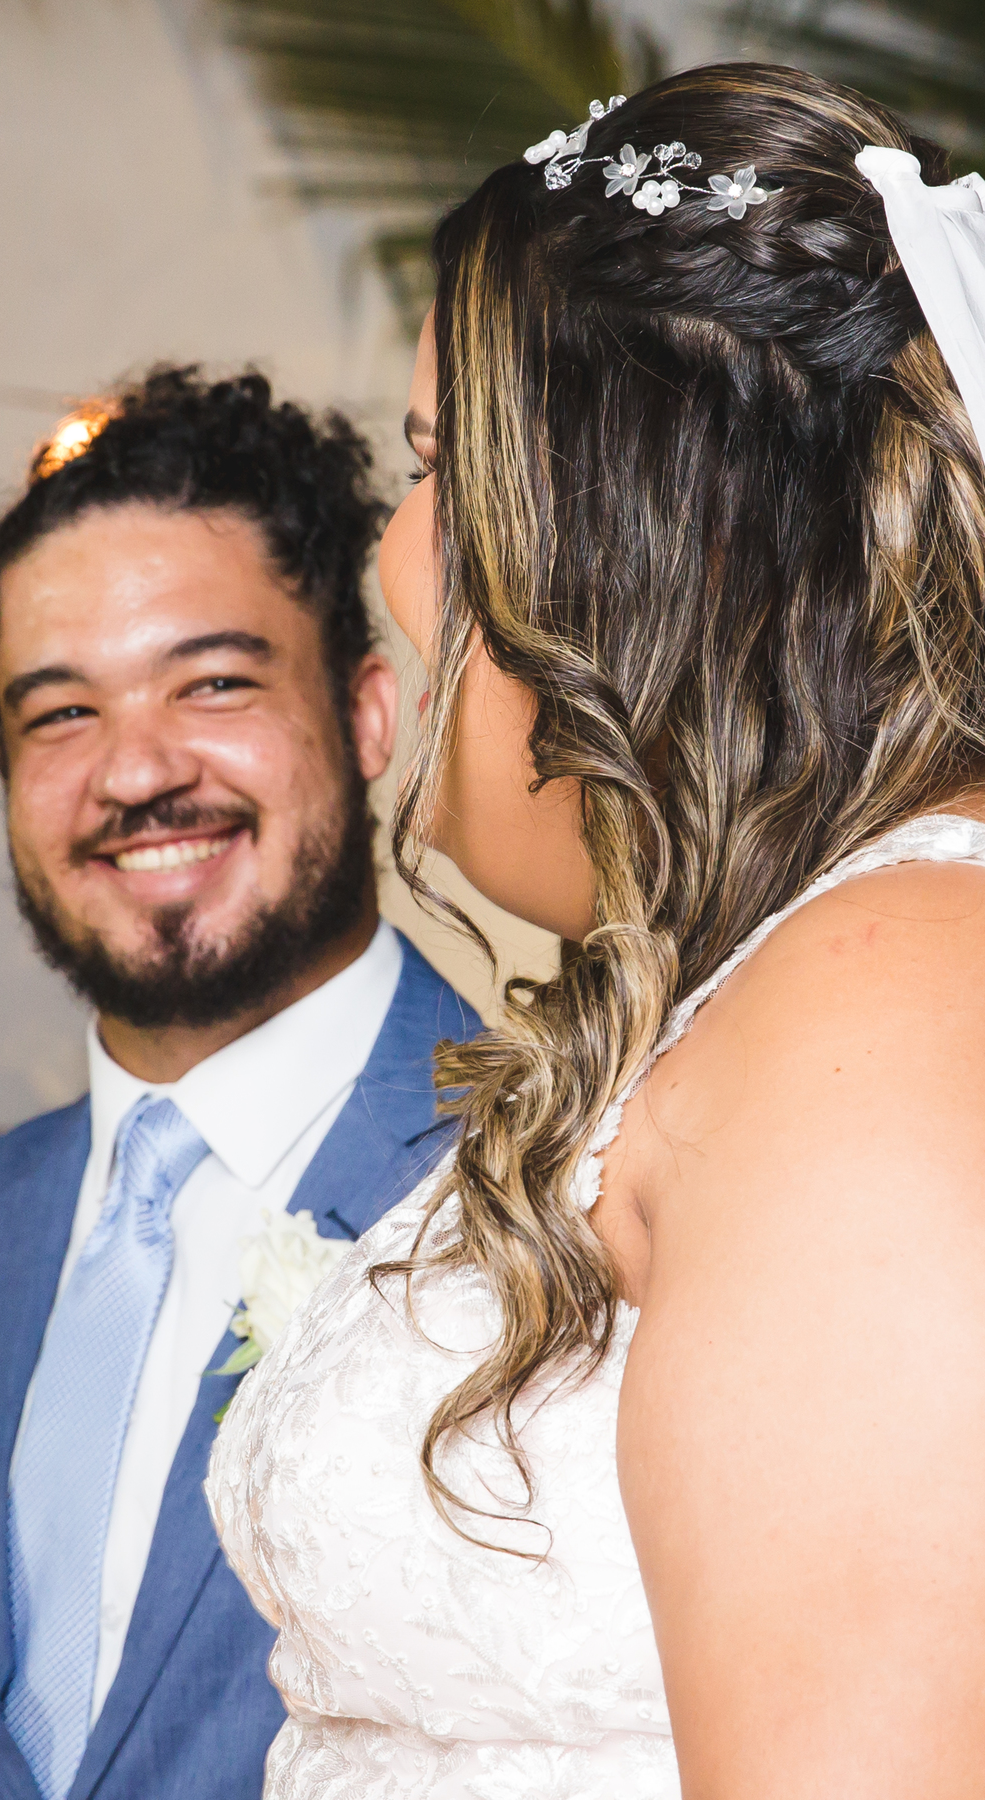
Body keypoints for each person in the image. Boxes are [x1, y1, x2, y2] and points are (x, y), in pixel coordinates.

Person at [207, 64, 985, 1798]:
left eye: (434, 466)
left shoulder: (877, 1023)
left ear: (631, 530)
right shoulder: (801, 985)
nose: (395, 558)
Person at [0, 367, 481, 1800]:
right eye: (59, 713)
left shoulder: (555, 1187)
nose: (135, 772)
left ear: (368, 713)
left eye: (215, 682)